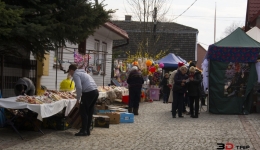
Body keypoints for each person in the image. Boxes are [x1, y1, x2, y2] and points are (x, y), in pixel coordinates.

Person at [67, 64, 99, 136]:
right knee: (89, 112)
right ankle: (87, 130)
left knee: (83, 111)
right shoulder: (83, 73)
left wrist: (78, 99)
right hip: (95, 91)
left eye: (69, 72)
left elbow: (79, 87)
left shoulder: (76, 74)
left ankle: (83, 130)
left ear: (71, 70)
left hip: (88, 93)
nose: (69, 74)